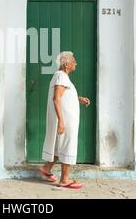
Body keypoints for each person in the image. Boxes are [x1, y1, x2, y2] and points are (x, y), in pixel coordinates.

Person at [37, 51, 90, 189]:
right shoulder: (61, 76)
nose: (76, 63)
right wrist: (61, 120)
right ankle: (64, 179)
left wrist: (78, 99)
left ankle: (46, 169)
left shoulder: (62, 77)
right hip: (66, 120)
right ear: (66, 64)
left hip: (66, 119)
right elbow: (56, 99)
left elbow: (64, 97)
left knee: (59, 146)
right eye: (74, 61)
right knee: (67, 145)